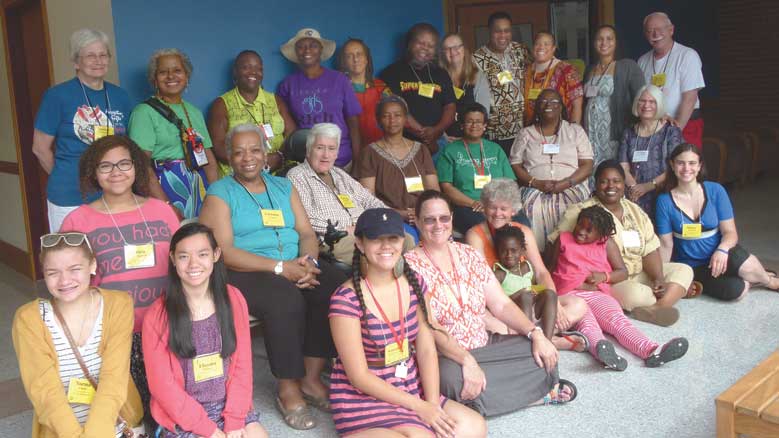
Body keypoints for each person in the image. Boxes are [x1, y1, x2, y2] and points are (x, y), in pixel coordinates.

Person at [198, 123, 347, 430]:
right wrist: (280, 268)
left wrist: (308, 262)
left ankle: (310, 377)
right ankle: (288, 387)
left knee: (332, 287)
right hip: (244, 270)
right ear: (228, 156)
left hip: (293, 262)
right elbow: (222, 251)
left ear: (265, 152)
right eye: (238, 152)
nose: (247, 157)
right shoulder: (220, 193)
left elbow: (305, 232)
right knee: (285, 299)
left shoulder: (282, 187)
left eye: (254, 149)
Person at [405, 190, 578, 417]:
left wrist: (535, 334)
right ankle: (534, 394)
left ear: (451, 219)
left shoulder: (469, 255)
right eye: (429, 219)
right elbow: (429, 326)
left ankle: (482, 401)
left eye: (444, 218)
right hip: (446, 355)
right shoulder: (409, 265)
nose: (438, 225)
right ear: (417, 222)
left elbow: (501, 305)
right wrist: (466, 360)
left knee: (540, 353)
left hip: (485, 344)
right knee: (447, 379)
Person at [329, 208, 486, 437]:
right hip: (366, 397)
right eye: (375, 239)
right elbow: (359, 376)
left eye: (393, 238)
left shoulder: (414, 283)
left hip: (410, 385)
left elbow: (425, 349)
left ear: (403, 241)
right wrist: (420, 408)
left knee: (474, 426)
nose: (386, 246)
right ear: (360, 244)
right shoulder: (346, 300)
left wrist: (431, 404)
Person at [60, 135, 180, 425]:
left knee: (171, 411)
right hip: (114, 336)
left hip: (168, 327)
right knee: (131, 415)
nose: (116, 172)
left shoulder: (162, 210)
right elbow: (67, 284)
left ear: (137, 167)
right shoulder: (78, 220)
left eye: (124, 163)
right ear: (93, 172)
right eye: (106, 166)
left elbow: (183, 264)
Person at [142, 223, 267, 438]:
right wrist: (206, 428)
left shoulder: (233, 299)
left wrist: (235, 421)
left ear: (215, 255)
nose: (193, 264)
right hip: (183, 415)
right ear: (172, 259)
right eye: (183, 257)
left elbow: (242, 366)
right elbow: (162, 386)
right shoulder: (158, 314)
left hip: (228, 406)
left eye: (202, 254)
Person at [12, 232, 142, 437]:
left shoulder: (118, 305)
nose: (64, 280)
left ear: (92, 266)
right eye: (53, 272)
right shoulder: (29, 319)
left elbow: (113, 378)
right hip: (61, 432)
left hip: (116, 425)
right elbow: (46, 393)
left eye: (75, 269)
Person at [550, 160, 695, 327]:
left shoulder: (635, 210)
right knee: (637, 295)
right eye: (604, 181)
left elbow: (649, 249)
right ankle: (671, 295)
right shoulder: (581, 212)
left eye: (617, 181)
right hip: (611, 279)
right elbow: (557, 244)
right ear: (595, 184)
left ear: (623, 184)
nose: (610, 186)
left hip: (640, 270)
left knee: (684, 269)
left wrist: (658, 278)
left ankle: (658, 307)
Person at [549, 206, 689, 370]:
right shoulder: (563, 238)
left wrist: (603, 276)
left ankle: (652, 351)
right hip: (569, 297)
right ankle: (604, 352)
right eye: (580, 225)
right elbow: (549, 269)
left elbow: (622, 272)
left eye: (589, 230)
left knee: (618, 321)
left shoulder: (606, 243)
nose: (581, 231)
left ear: (601, 234)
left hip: (597, 293)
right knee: (588, 326)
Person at [464, 179, 587, 350]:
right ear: (484, 208)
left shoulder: (523, 232)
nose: (497, 213)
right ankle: (549, 341)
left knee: (578, 305)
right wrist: (508, 309)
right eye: (492, 207)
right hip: (497, 307)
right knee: (480, 318)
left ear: (513, 210)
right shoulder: (475, 235)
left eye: (504, 208)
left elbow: (541, 272)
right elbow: (483, 286)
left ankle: (537, 339)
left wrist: (556, 305)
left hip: (529, 303)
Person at [32, 28, 133, 232]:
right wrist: (68, 174)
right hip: (69, 194)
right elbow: (40, 148)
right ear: (76, 62)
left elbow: (129, 145)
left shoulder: (120, 96)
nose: (98, 60)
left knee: (110, 256)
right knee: (70, 256)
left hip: (113, 193)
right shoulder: (57, 96)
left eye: (103, 55)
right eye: (90, 55)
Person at [656, 144, 779, 300]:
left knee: (737, 257)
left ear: (700, 166)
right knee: (736, 291)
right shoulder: (664, 201)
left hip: (721, 253)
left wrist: (722, 249)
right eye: (680, 163)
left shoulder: (716, 190)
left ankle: (770, 281)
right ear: (672, 165)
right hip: (693, 266)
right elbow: (666, 245)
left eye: (692, 163)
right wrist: (660, 277)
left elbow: (730, 233)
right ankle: (752, 277)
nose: (686, 168)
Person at [128, 48, 218, 219]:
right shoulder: (143, 113)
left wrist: (217, 197)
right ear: (154, 79)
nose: (170, 76)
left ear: (187, 76)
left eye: (177, 70)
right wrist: (166, 205)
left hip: (198, 189)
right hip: (164, 189)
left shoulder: (194, 112)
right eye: (163, 72)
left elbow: (209, 161)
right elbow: (141, 165)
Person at [287, 123, 388, 264]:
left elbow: (369, 200)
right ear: (309, 150)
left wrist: (386, 217)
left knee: (404, 239)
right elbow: (306, 218)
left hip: (365, 232)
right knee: (379, 252)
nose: (326, 155)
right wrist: (346, 229)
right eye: (320, 148)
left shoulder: (340, 174)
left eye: (331, 148)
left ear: (337, 153)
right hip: (334, 240)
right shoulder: (297, 176)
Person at [510, 88, 594, 250]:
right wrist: (535, 182)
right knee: (531, 206)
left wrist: (566, 182)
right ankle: (537, 254)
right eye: (543, 102)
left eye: (554, 101)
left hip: (572, 185)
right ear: (537, 107)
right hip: (534, 186)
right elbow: (515, 164)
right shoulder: (526, 134)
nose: (548, 105)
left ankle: (568, 253)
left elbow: (587, 165)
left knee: (573, 207)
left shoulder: (575, 131)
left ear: (561, 107)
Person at [355, 95, 439, 240]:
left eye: (397, 115)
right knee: (409, 239)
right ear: (379, 120)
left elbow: (434, 190)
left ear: (406, 119)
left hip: (424, 214)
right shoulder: (369, 153)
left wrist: (424, 211)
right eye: (386, 116)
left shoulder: (421, 150)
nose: (392, 120)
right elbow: (368, 198)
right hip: (389, 216)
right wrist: (401, 214)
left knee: (438, 237)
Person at [277, 28, 362, 167]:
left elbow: (354, 123)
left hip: (342, 161)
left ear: (321, 50)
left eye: (313, 45)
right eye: (301, 47)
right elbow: (286, 126)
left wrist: (358, 162)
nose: (307, 50)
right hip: (307, 163)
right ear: (296, 52)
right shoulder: (288, 85)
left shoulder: (339, 80)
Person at [436, 103, 519, 234]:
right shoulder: (450, 151)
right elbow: (446, 187)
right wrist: (473, 203)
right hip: (467, 207)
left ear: (485, 125)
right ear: (462, 125)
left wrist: (502, 205)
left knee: (522, 224)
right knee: (485, 229)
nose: (474, 126)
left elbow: (510, 182)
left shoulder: (495, 149)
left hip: (498, 204)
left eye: (479, 122)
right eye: (469, 121)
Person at [380, 22, 456, 155]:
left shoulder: (441, 73)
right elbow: (396, 108)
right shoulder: (391, 73)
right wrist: (425, 135)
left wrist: (436, 131)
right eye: (421, 43)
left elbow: (450, 106)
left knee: (441, 176)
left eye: (431, 46)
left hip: (439, 141)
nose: (425, 48)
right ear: (410, 44)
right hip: (404, 143)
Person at [208, 50, 286, 177]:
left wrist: (280, 156)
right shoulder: (221, 104)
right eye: (246, 68)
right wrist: (256, 162)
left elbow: (292, 135)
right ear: (235, 72)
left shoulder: (276, 100)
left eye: (258, 68)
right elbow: (218, 147)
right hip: (238, 179)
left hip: (277, 175)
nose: (253, 72)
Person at [583, 25, 645, 184]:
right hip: (591, 134)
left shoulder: (627, 66)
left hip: (614, 134)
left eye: (609, 38)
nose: (604, 42)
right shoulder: (590, 69)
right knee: (594, 174)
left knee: (613, 173)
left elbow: (642, 96)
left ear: (616, 42)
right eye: (599, 39)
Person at [637, 12, 705, 148]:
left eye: (660, 29)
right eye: (650, 31)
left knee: (684, 167)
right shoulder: (642, 61)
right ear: (646, 35)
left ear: (671, 30)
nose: (656, 34)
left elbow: (690, 98)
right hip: (653, 127)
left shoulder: (687, 55)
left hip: (684, 124)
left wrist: (675, 131)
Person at [473, 11, 532, 156]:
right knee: (500, 177)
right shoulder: (477, 58)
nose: (503, 36)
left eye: (507, 31)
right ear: (489, 32)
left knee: (524, 173)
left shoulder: (521, 51)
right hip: (495, 133)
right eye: (497, 31)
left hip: (524, 128)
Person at [618, 85, 683, 216]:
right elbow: (622, 166)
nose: (646, 105)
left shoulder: (670, 131)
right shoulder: (628, 132)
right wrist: (633, 187)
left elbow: (677, 166)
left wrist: (647, 186)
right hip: (633, 193)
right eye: (642, 101)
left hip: (663, 191)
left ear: (659, 105)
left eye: (652, 102)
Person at [338, 38, 391, 150]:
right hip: (347, 149)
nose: (355, 59)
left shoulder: (380, 86)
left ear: (367, 59)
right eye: (349, 56)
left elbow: (394, 112)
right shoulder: (337, 87)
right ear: (344, 62)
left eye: (359, 54)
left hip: (379, 148)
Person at [524, 32, 583, 126]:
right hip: (530, 131)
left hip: (559, 130)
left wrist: (574, 131)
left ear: (553, 48)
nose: (541, 47)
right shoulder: (527, 71)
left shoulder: (566, 70)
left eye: (546, 44)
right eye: (537, 43)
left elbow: (577, 104)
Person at [439, 33, 491, 140]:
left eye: (457, 47)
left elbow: (483, 114)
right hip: (444, 140)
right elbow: (434, 110)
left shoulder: (478, 76)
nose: (452, 51)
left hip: (472, 139)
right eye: (447, 49)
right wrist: (443, 136)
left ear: (464, 49)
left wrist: (465, 139)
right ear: (443, 53)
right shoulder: (438, 77)